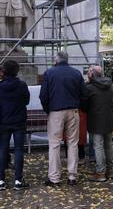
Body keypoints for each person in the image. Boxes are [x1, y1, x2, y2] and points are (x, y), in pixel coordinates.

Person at [40, 51, 88, 186]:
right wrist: (80, 107)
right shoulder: (76, 73)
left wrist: (47, 110)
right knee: (73, 143)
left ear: (56, 59)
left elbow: (43, 95)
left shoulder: (49, 73)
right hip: (73, 110)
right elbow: (84, 94)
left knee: (54, 144)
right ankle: (72, 176)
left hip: (55, 111)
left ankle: (54, 178)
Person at [0, 60, 30, 190]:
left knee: (2, 149)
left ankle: (0, 180)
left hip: (4, 120)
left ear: (4, 71)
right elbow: (26, 100)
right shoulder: (22, 85)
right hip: (19, 121)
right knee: (19, 150)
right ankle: (18, 180)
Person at [84, 65, 113, 182]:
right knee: (108, 145)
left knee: (98, 146)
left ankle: (100, 172)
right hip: (108, 119)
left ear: (92, 74)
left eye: (89, 71)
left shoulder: (89, 87)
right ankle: (110, 170)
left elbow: (84, 104)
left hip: (95, 120)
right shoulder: (110, 85)